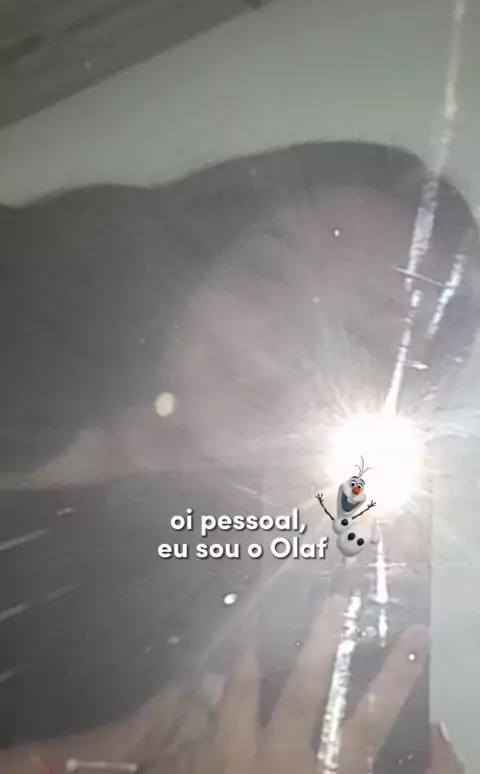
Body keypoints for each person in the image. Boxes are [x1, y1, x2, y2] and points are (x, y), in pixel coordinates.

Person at [0, 141, 478, 769]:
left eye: (368, 335)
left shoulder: (219, 637)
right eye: (270, 275)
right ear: (200, 265)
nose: (293, 340)